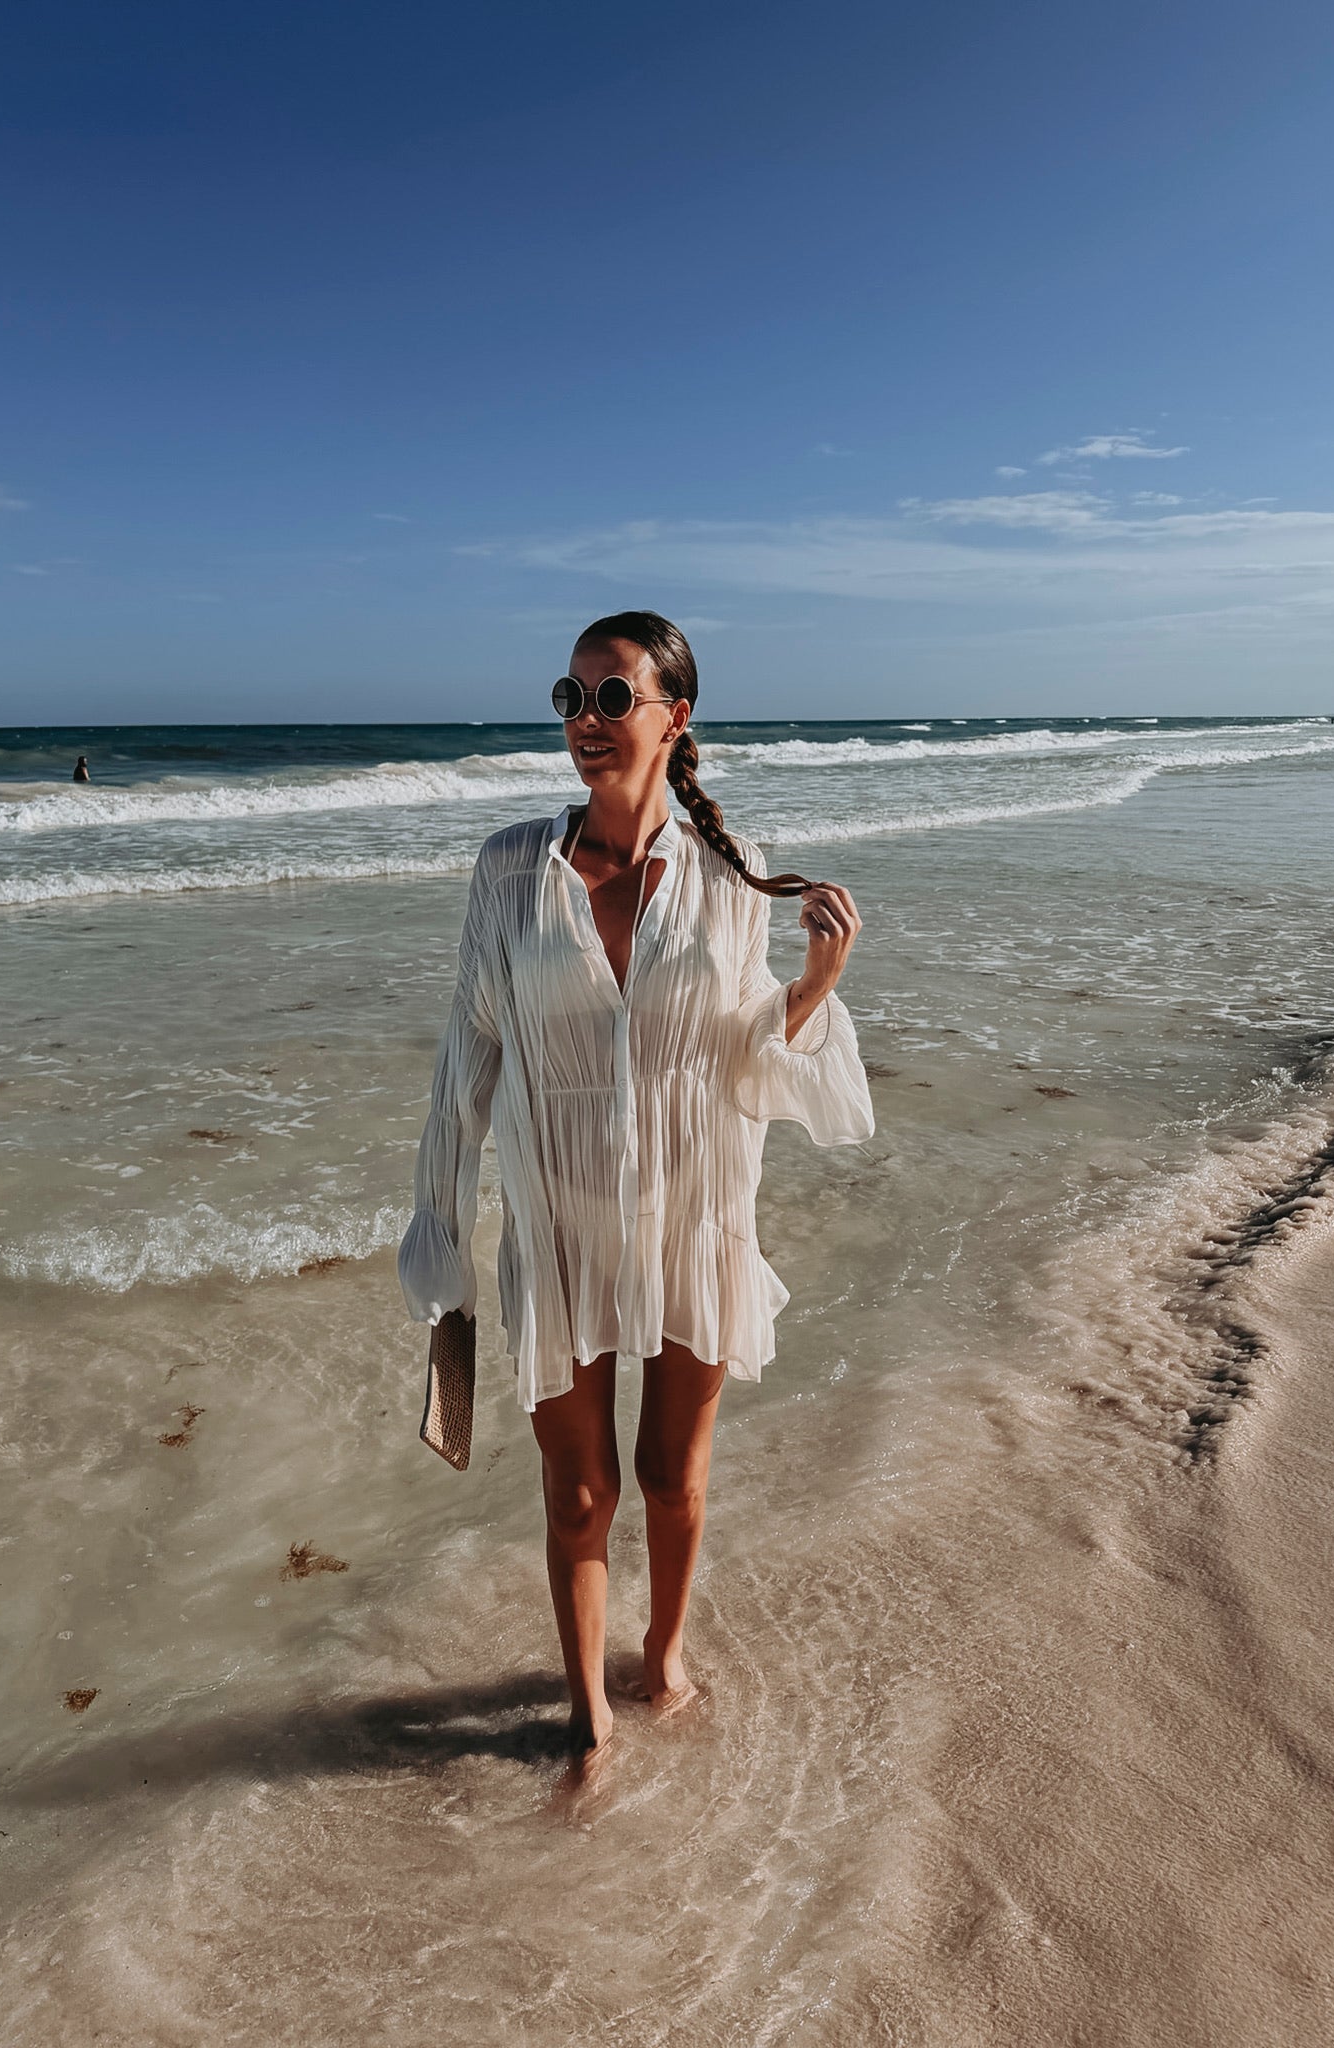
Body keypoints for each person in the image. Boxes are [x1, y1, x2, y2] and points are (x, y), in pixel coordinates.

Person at [397, 610, 875, 1767]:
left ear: (676, 714)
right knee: (579, 1492)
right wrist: (442, 1235)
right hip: (559, 1223)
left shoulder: (725, 869)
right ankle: (586, 1714)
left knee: (671, 1475)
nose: (586, 721)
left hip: (694, 1211)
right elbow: (467, 1058)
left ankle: (663, 1656)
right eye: (571, 698)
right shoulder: (510, 867)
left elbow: (745, 1056)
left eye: (613, 696)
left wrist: (816, 981)